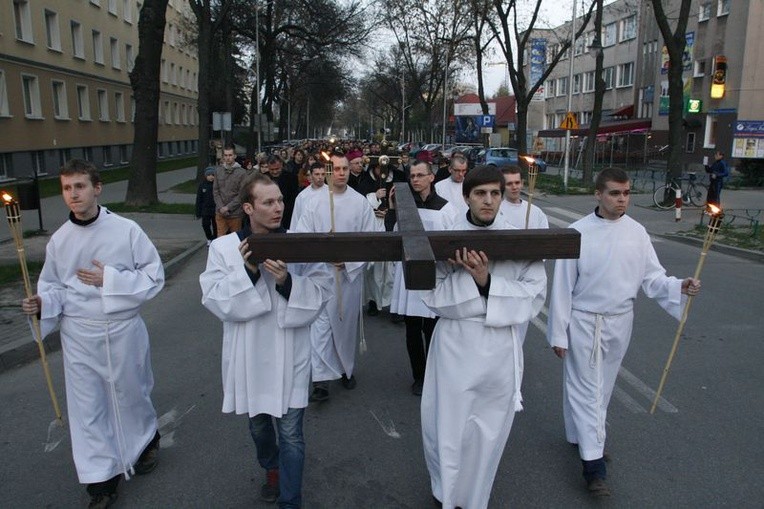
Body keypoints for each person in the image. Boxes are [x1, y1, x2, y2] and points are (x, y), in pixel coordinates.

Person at [546, 167, 702, 497]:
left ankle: (582, 437)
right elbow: (561, 288)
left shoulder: (637, 233)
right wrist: (558, 332)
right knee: (587, 389)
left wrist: (680, 286)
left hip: (621, 320)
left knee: (602, 389)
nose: (622, 200)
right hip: (585, 320)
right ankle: (594, 467)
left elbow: (654, 278)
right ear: (598, 195)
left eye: (627, 193)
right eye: (615, 193)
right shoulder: (577, 233)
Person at [21, 159, 164, 508]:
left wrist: (110, 280)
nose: (73, 195)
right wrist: (41, 304)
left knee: (131, 394)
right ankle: (101, 480)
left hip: (121, 329)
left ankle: (145, 441)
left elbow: (153, 275)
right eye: (67, 188)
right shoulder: (60, 240)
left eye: (80, 186)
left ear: (97, 188)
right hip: (78, 334)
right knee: (88, 408)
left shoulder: (126, 231)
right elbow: (54, 286)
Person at [200, 173, 331, 508]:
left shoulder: (299, 246)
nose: (278, 208)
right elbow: (214, 300)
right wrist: (249, 273)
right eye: (268, 202)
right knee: (259, 429)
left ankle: (291, 500)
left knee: (291, 434)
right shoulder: (224, 248)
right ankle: (271, 466)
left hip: (290, 352)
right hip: (249, 354)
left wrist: (287, 281)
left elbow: (321, 290)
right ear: (248, 207)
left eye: (280, 201)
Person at [420, 166, 547, 508]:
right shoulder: (447, 240)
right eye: (480, 193)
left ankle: (474, 498)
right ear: (466, 197)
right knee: (448, 428)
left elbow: (535, 294)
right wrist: (471, 279)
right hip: (455, 344)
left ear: (503, 197)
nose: (488, 200)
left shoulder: (518, 238)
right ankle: (445, 492)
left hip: (498, 346)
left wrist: (487, 281)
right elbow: (431, 294)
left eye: (494, 193)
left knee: (488, 432)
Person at [295, 151, 380, 402]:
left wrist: (349, 262)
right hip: (320, 274)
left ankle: (345, 368)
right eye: (337, 169)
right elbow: (303, 236)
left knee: (343, 327)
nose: (341, 173)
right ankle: (320, 380)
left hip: (347, 277)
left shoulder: (360, 203)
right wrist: (323, 249)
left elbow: (369, 240)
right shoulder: (314, 202)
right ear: (329, 171)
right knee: (320, 326)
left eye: (345, 168)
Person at [385, 159, 450, 396]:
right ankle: (419, 376)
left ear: (431, 177)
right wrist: (392, 208)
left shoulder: (445, 208)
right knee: (412, 329)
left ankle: (435, 374)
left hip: (435, 274)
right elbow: (391, 234)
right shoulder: (405, 205)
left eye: (421, 175)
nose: (416, 180)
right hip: (410, 274)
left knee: (433, 329)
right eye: (412, 176)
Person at [499, 165, 549, 230]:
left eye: (517, 183)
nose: (514, 187)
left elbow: (545, 235)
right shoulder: (497, 211)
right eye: (509, 184)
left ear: (522, 183)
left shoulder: (536, 212)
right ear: (502, 186)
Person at [213, 144, 246, 237]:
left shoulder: (242, 173)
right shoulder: (218, 171)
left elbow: (242, 194)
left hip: (235, 213)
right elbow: (216, 191)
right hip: (220, 212)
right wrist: (221, 207)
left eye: (230, 155)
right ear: (223, 156)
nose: (228, 158)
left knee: (235, 239)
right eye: (226, 155)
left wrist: (228, 207)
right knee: (221, 239)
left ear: (235, 156)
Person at [289, 162, 328, 231]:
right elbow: (296, 218)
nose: (320, 177)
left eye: (323, 174)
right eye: (317, 174)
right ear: (311, 175)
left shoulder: (331, 193)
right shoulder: (302, 196)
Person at [265, 154, 300, 229]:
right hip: (268, 214)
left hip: (287, 214)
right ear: (268, 167)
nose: (274, 172)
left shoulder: (292, 178)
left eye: (277, 169)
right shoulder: (263, 178)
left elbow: (293, 198)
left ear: (281, 165)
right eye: (272, 169)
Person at [196, 167, 217, 245]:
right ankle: (209, 238)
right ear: (206, 176)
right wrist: (198, 212)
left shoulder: (216, 185)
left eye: (213, 175)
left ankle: (215, 239)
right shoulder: (202, 185)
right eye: (209, 175)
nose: (211, 177)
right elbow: (199, 199)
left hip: (215, 209)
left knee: (216, 226)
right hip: (205, 210)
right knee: (205, 225)